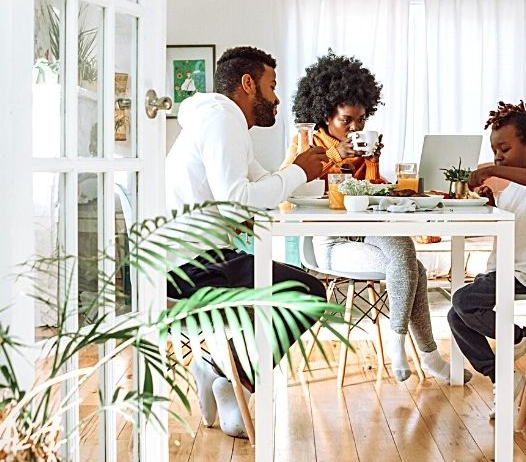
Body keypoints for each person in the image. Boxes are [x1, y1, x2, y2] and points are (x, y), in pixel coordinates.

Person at [165, 46, 328, 438]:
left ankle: (220, 371)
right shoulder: (223, 121)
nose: (275, 99)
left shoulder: (220, 120)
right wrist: (298, 171)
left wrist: (296, 173)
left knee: (296, 287)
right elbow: (240, 199)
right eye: (271, 87)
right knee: (307, 292)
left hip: (196, 257)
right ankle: (225, 376)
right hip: (184, 268)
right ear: (248, 83)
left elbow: (257, 187)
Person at [282, 51, 464, 384]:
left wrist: (375, 164)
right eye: (346, 120)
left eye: (361, 119)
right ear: (324, 114)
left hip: (367, 231)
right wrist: (337, 154)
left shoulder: (363, 146)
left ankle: (411, 349)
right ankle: (421, 353)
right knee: (413, 267)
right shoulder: (306, 143)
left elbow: (369, 196)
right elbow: (290, 193)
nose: (355, 127)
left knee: (405, 253)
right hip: (331, 242)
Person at [447, 100, 526, 415]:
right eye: (495, 151)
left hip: (524, 275)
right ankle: (502, 377)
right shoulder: (510, 191)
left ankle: (519, 336)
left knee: (463, 301)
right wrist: (490, 199)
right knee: (456, 316)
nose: (497, 157)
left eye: (504, 150)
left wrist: (492, 170)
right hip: (500, 272)